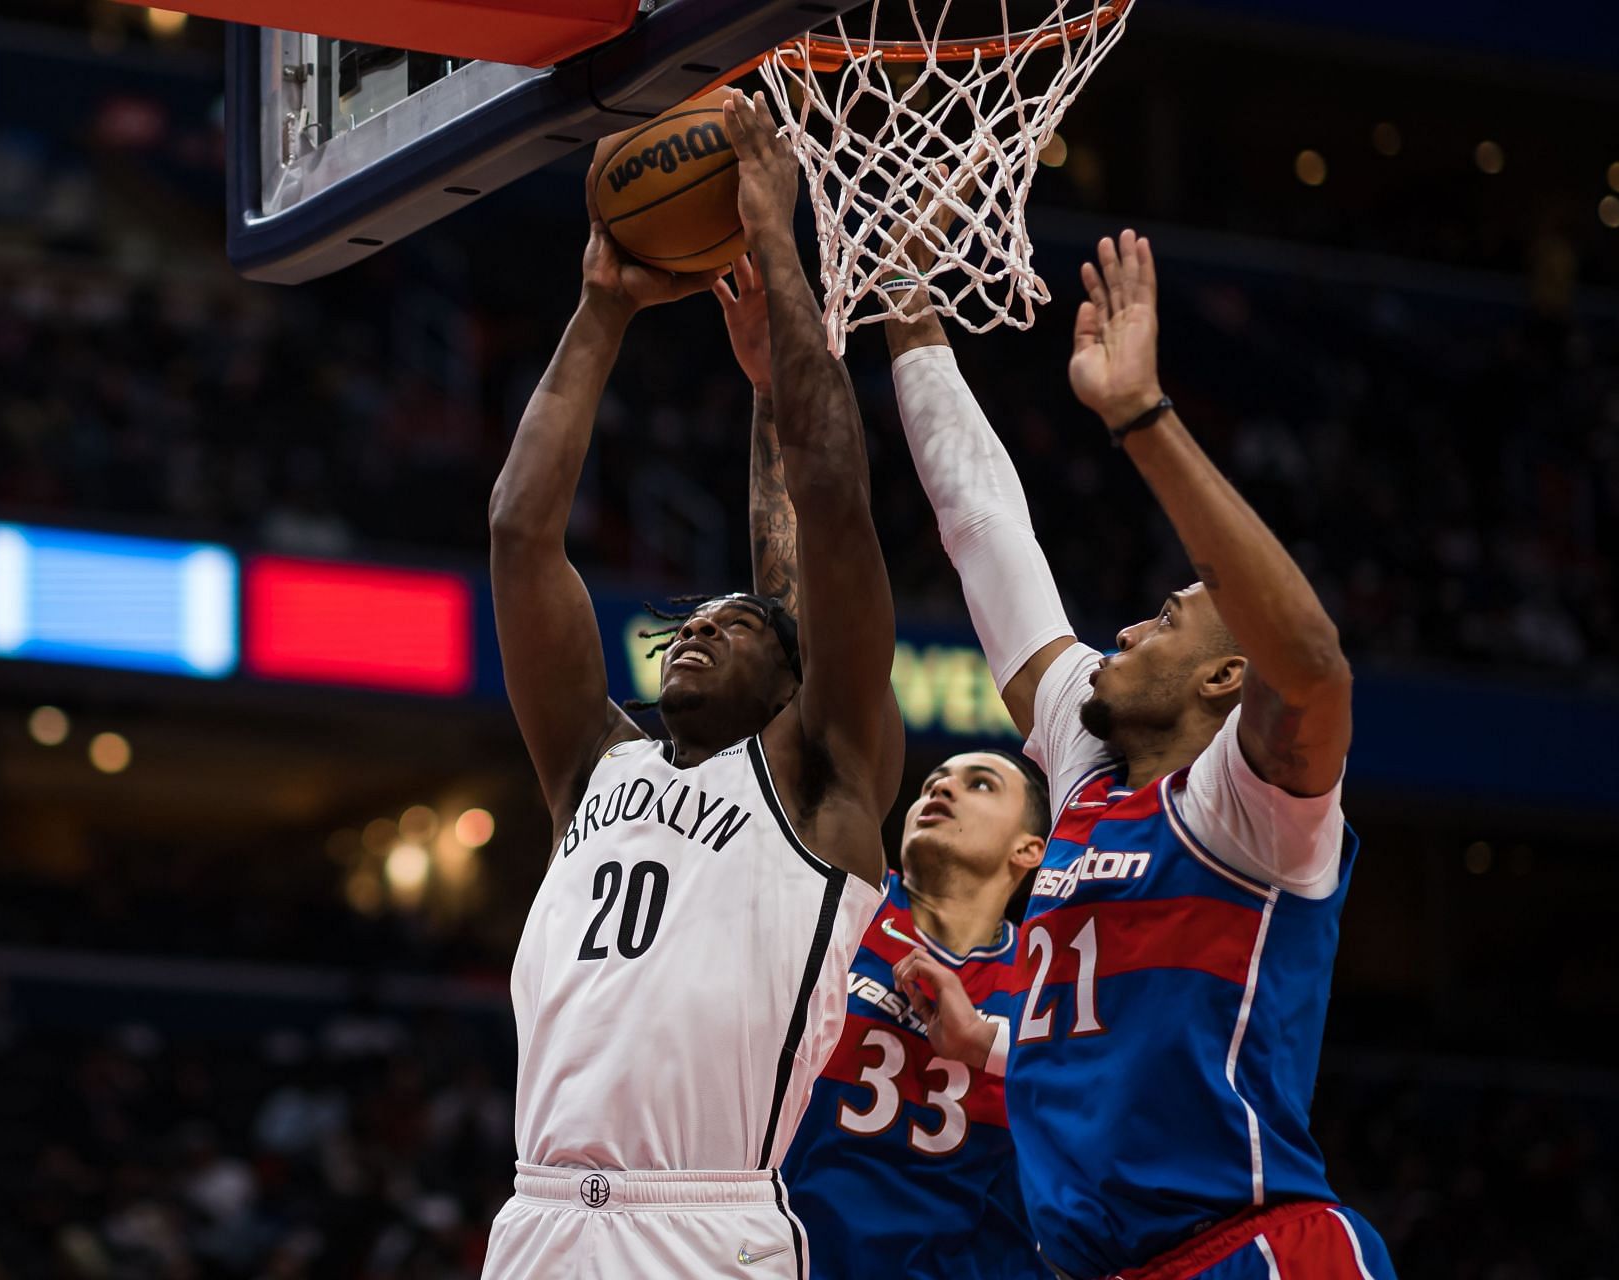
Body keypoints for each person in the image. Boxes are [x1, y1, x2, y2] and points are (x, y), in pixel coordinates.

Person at [883, 229, 1398, 1279]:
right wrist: (910, 311)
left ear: (1224, 677)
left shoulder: (1249, 811)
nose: (1122, 631)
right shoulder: (1086, 774)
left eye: (1166, 617)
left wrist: (1142, 419)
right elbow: (984, 526)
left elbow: (1314, 669)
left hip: (1254, 1250)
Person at [480, 89, 903, 1280]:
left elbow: (832, 507)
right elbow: (520, 531)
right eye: (689, 618)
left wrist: (774, 232)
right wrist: (601, 310)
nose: (700, 627)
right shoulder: (590, 763)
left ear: (798, 677)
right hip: (537, 1213)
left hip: (705, 1222)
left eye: (736, 622)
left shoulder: (823, 779)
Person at [713, 247, 1044, 1280]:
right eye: (945, 775)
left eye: (981, 780)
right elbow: (792, 609)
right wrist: (773, 391)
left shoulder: (1050, 983)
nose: (942, 781)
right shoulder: (850, 903)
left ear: (1033, 850)